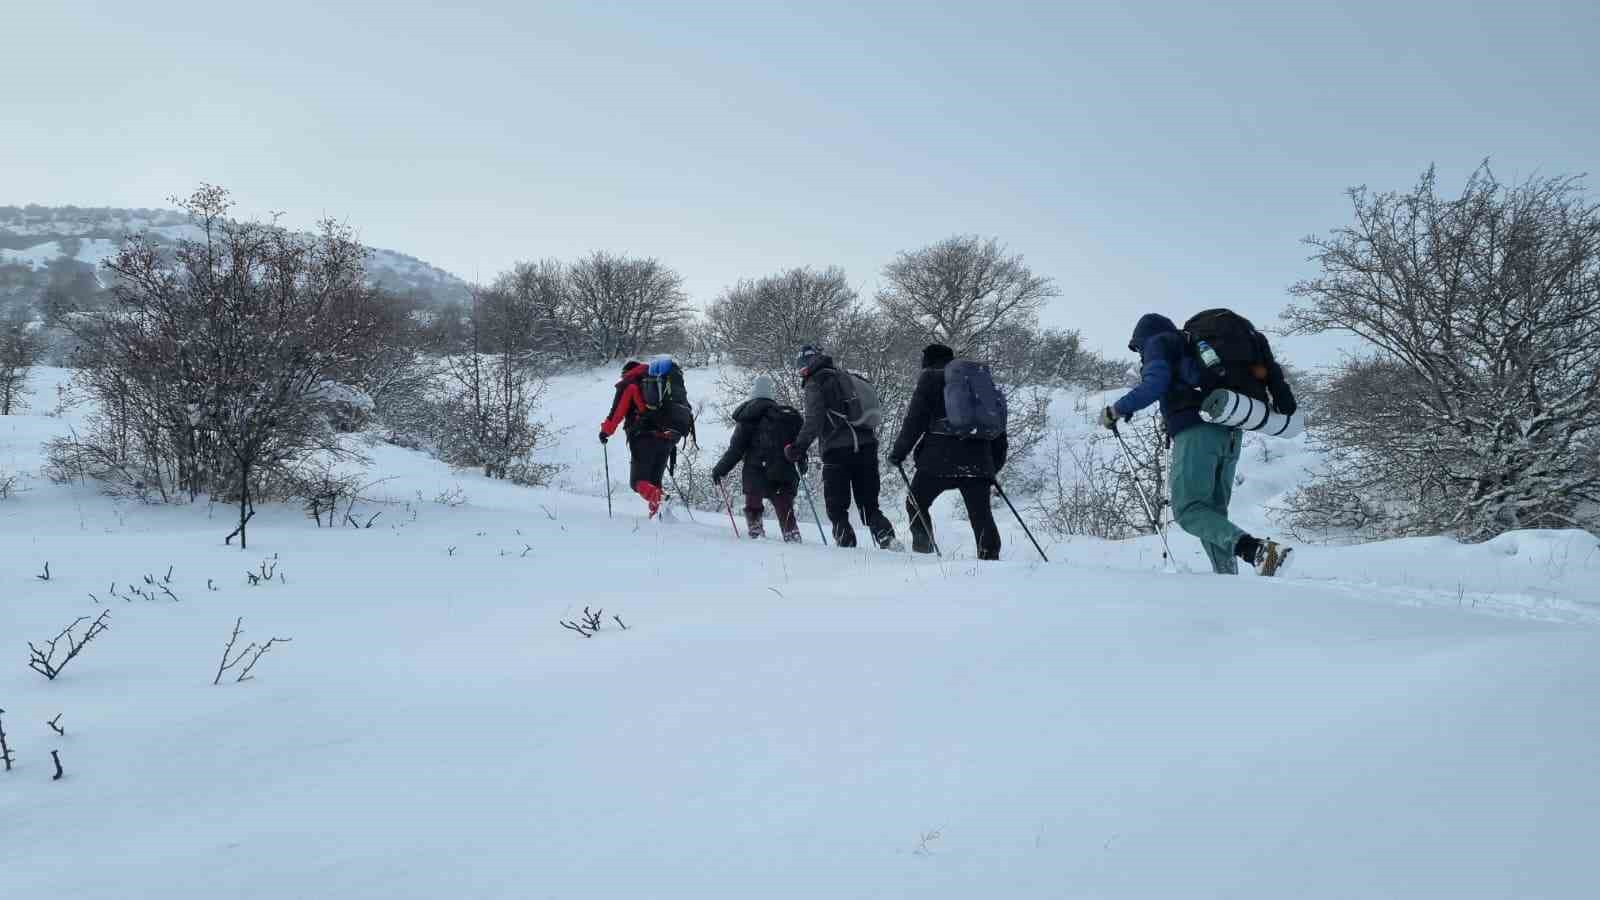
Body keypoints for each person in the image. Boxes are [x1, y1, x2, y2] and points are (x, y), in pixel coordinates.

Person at [1102, 313, 1297, 576]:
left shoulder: (1159, 341)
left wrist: (1116, 409)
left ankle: (1257, 551)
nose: (1140, 354)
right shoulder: (1190, 346)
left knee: (1189, 510)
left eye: (1138, 348)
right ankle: (1228, 580)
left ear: (1142, 338)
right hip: (1230, 430)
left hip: (1198, 430)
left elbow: (1155, 383)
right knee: (1213, 515)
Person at [888, 343, 1009, 560]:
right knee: (981, 514)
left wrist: (898, 453)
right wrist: (993, 466)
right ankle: (990, 559)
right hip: (978, 461)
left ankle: (924, 553)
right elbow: (997, 426)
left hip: (937, 459)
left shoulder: (929, 379)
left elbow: (915, 421)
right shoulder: (975, 381)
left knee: (916, 503)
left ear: (927, 361)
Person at [784, 345, 900, 550]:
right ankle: (888, 539)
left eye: (801, 368)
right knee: (869, 506)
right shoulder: (844, 376)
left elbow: (813, 420)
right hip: (866, 447)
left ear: (806, 365)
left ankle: (846, 549)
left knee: (837, 508)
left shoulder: (815, 382)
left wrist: (798, 447)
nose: (801, 372)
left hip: (837, 452)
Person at [711, 375, 803, 542]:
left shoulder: (748, 414)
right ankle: (792, 534)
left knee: (754, 503)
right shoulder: (784, 417)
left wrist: (720, 470)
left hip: (756, 470)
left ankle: (756, 533)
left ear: (753, 392)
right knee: (784, 505)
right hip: (783, 469)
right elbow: (799, 445)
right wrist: (802, 463)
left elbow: (736, 450)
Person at [599, 358, 685, 519]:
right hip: (667, 438)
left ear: (625, 372)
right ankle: (658, 516)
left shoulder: (630, 383)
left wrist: (605, 432)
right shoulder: (660, 383)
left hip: (644, 438)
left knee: (637, 482)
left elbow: (617, 411)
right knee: (653, 483)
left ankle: (661, 500)